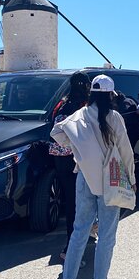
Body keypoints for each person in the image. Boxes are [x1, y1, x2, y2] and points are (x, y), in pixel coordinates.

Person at [51, 74, 136, 279]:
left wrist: (79, 147)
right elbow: (126, 152)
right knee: (107, 234)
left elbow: (57, 132)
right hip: (111, 177)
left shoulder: (80, 114)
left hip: (84, 176)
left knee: (80, 230)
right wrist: (132, 178)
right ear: (110, 94)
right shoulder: (114, 117)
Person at [49, 72, 91, 264]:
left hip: (59, 157)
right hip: (76, 158)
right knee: (78, 203)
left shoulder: (61, 103)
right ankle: (71, 248)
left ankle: (78, 239)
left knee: (70, 200)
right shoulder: (83, 106)